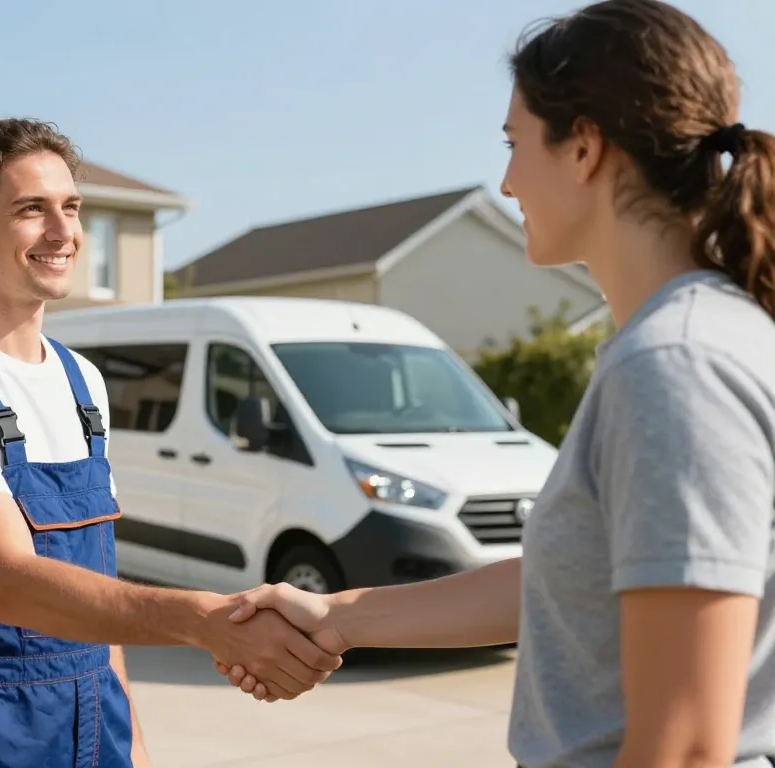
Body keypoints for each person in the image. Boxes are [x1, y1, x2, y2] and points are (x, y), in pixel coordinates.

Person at [215, 1, 775, 766]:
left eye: (514, 144)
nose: (507, 182)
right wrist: (338, 614)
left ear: (584, 146)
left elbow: (683, 746)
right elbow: (564, 585)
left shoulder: (674, 366)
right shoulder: (691, 339)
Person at [0, 118, 341, 768]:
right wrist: (205, 621)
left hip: (95, 716)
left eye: (72, 207)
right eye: (32, 209)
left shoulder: (81, 381)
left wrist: (131, 739)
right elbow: (13, 584)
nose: (64, 233)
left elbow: (95, 581)